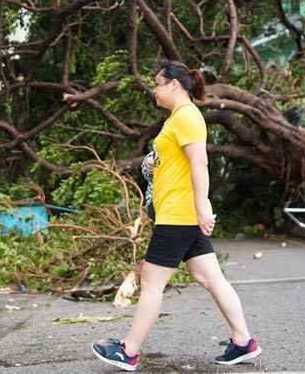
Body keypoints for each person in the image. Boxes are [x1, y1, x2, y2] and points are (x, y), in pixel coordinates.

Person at [92, 61, 262, 371]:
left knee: (152, 282)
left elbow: (200, 164)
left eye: (157, 84)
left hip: (180, 215)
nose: (154, 91)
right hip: (178, 212)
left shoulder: (186, 117)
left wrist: (202, 208)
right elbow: (176, 164)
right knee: (209, 277)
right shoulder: (177, 119)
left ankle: (129, 351)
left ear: (173, 85)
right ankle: (243, 342)